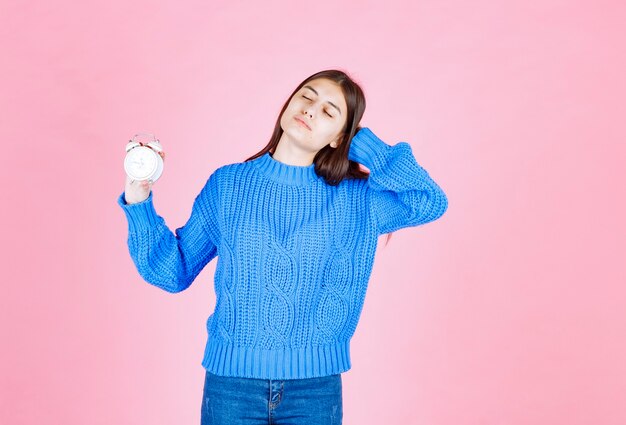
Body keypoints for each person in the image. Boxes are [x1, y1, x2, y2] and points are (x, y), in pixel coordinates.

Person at [117, 69, 448, 424]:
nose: (310, 109)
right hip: (231, 385)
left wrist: (366, 143)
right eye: (306, 96)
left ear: (340, 138)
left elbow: (428, 201)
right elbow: (173, 270)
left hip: (315, 390)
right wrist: (139, 201)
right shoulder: (228, 185)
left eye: (328, 111)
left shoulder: (358, 200)